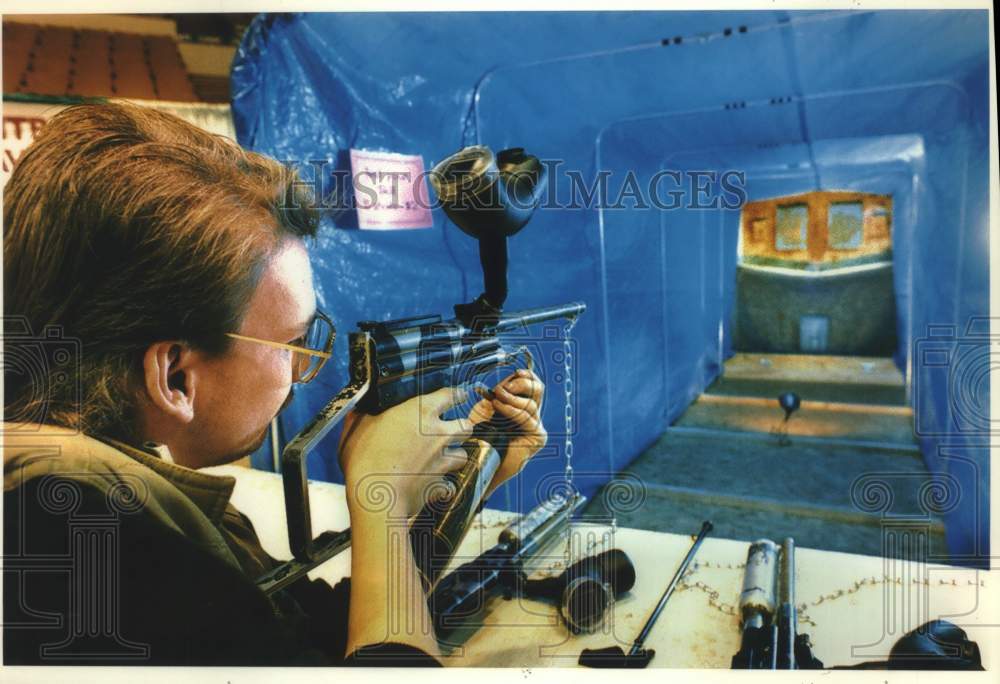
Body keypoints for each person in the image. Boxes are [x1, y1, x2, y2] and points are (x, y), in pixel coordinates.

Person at [2, 102, 547, 665]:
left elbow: (313, 640)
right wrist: (379, 505)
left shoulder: (87, 489)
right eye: (291, 345)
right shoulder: (86, 548)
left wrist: (470, 478)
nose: (302, 370)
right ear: (175, 376)